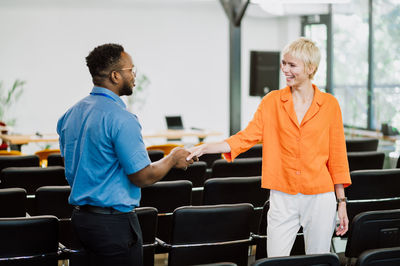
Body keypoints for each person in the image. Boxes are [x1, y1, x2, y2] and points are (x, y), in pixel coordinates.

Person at [187, 37, 351, 257]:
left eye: (292, 65)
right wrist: (208, 147)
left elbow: (337, 156)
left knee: (318, 260)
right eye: (284, 63)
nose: (285, 69)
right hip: (282, 195)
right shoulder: (271, 101)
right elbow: (245, 137)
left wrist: (341, 202)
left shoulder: (330, 104)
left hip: (320, 197)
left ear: (311, 68)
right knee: (275, 259)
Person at [57, 43, 195, 266]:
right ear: (115, 75)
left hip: (81, 221)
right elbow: (141, 176)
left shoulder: (69, 115)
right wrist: (172, 158)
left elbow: (73, 167)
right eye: (131, 70)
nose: (134, 76)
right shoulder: (122, 119)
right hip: (113, 225)